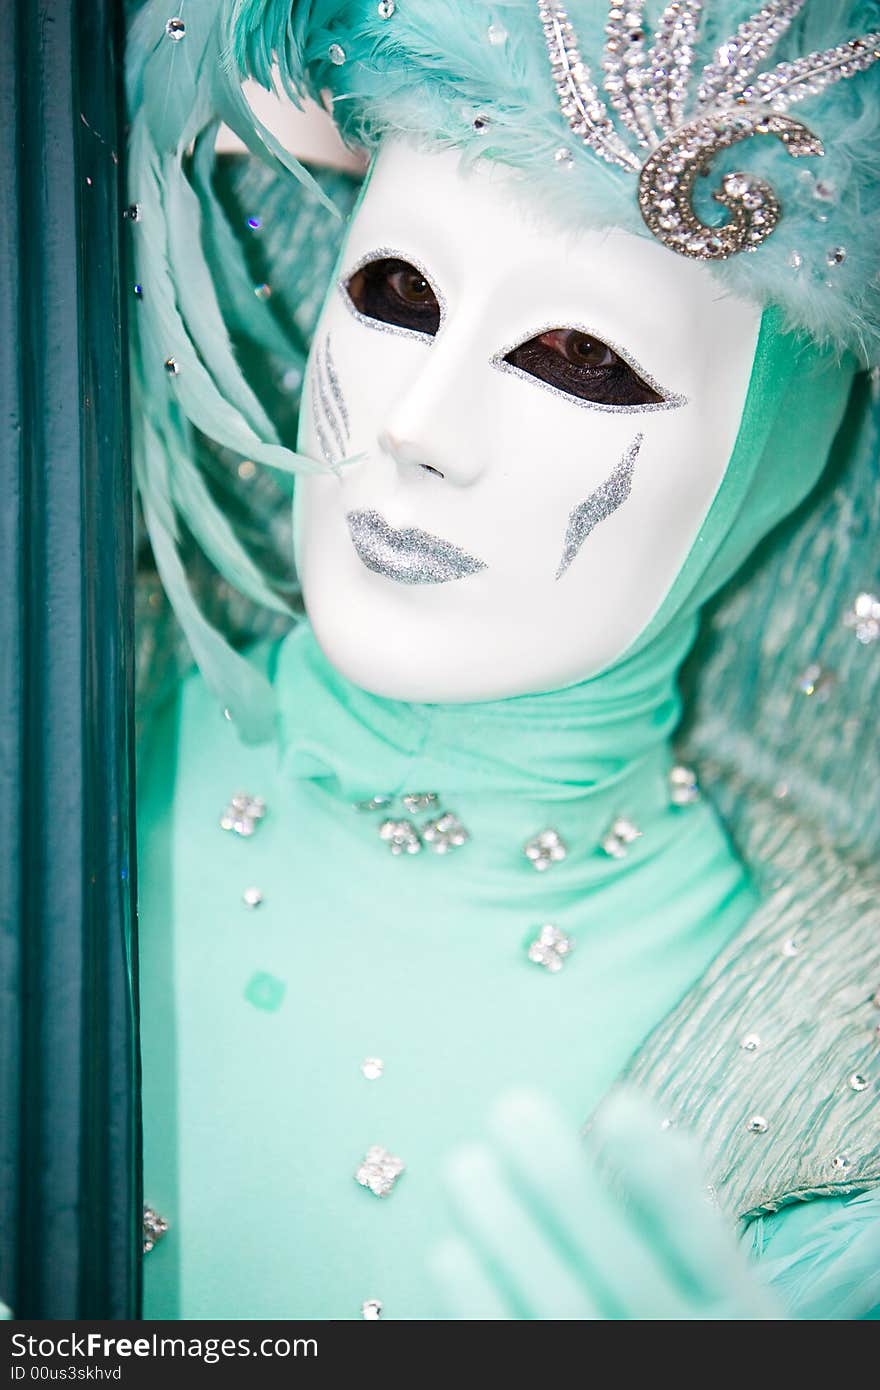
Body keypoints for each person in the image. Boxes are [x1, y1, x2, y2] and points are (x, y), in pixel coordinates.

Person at [128, 0, 880, 1319]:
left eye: (580, 359)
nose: (422, 428)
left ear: (765, 466)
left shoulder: (830, 1094)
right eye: (398, 293)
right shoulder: (66, 710)